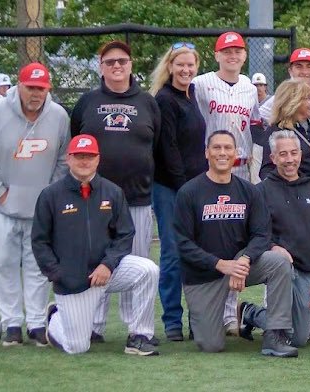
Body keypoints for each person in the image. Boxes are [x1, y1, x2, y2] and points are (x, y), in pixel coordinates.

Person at [32, 135, 159, 356]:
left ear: (98, 159)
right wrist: (58, 273)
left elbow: (125, 234)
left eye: (89, 156)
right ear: (68, 159)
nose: (84, 161)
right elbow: (39, 241)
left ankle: (140, 335)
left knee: (148, 270)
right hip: (74, 279)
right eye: (79, 156)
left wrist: (108, 264)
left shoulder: (112, 192)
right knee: (77, 347)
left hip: (107, 272)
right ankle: (56, 318)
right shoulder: (50, 195)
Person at [0, 62, 70, 346]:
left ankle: (37, 324)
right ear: (20, 85)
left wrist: (49, 194)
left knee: (38, 267)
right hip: (0, 207)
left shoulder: (58, 116)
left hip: (40, 209)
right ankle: (11, 323)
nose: (36, 94)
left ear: (48, 89)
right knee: (2, 264)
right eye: (31, 88)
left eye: (41, 88)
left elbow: (64, 157)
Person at [175, 131, 297, 358]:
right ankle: (244, 314)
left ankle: (275, 335)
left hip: (241, 264)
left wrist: (244, 260)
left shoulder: (249, 190)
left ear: (235, 153)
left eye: (228, 148)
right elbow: (182, 243)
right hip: (205, 274)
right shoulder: (189, 192)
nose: (222, 153)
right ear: (206, 153)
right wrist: (221, 264)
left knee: (279, 262)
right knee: (211, 345)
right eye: (217, 148)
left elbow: (261, 234)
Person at [70, 40, 161, 341]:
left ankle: (137, 329)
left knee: (138, 263)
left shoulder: (147, 102)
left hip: (137, 198)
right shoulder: (88, 101)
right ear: (101, 68)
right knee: (96, 260)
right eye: (110, 62)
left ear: (131, 65)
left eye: (122, 60)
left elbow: (156, 145)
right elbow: (75, 142)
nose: (117, 66)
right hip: (94, 199)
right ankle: (93, 325)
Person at [237, 130, 310, 348]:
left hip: (305, 271)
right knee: (286, 332)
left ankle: (249, 313)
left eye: (293, 153)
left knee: (298, 338)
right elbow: (253, 233)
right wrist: (272, 247)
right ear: (273, 158)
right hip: (279, 269)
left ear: (301, 154)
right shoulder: (260, 191)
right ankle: (261, 316)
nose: (289, 159)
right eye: (283, 154)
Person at [150, 42, 208, 341]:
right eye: (180, 64)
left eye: (190, 65)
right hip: (171, 189)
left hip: (195, 187)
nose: (186, 70)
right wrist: (185, 187)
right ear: (170, 66)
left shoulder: (192, 93)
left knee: (199, 254)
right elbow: (168, 148)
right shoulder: (164, 99)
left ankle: (199, 318)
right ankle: (172, 320)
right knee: (173, 253)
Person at [193, 32, 259, 182]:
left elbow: (255, 125)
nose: (233, 56)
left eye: (237, 52)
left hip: (242, 167)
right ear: (217, 56)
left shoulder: (250, 89)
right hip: (209, 165)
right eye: (227, 52)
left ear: (244, 56)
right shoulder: (200, 84)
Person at [255, 80, 310, 181]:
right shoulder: (276, 131)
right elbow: (266, 170)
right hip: (294, 185)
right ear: (294, 102)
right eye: (309, 98)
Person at [258, 48, 310, 126]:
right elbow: (257, 119)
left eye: (309, 67)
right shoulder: (279, 99)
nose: (304, 71)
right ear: (290, 71)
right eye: (299, 67)